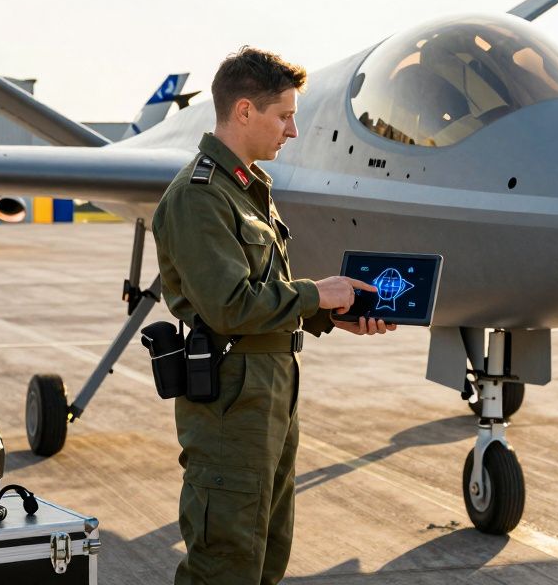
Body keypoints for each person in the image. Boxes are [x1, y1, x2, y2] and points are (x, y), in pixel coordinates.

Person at [152, 46, 390, 585]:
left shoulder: (247, 191)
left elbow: (264, 293)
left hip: (270, 395)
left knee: (265, 557)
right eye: (283, 116)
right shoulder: (201, 197)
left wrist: (332, 315)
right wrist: (315, 295)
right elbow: (228, 305)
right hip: (233, 406)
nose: (292, 131)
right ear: (243, 111)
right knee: (226, 563)